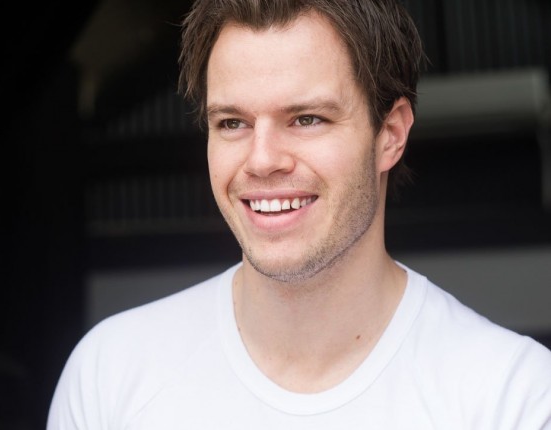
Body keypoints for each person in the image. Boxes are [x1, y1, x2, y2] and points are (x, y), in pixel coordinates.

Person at [47, 0, 551, 428]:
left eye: (307, 119)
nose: (262, 160)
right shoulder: (112, 375)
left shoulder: (511, 398)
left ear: (391, 134)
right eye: (232, 123)